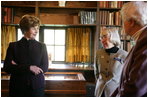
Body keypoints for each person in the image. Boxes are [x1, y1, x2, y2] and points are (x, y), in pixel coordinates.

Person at [3, 15, 49, 97]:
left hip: (37, 88)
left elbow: (45, 67)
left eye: (38, 28)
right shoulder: (13, 46)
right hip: (17, 88)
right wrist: (29, 68)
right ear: (25, 29)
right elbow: (7, 68)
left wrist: (17, 66)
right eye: (34, 28)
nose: (36, 31)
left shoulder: (42, 46)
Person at [111, 1, 147, 97]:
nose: (122, 25)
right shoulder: (141, 39)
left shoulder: (145, 41)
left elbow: (135, 88)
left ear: (131, 22)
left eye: (123, 21)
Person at [94, 27, 128, 97]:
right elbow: (96, 73)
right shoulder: (99, 53)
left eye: (104, 37)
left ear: (113, 37)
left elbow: (126, 77)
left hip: (115, 93)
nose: (102, 40)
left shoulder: (124, 55)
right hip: (99, 92)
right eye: (101, 37)